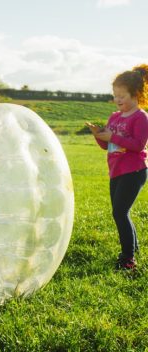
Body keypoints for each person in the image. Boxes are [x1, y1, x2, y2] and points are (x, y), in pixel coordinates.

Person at [86, 64, 148, 270]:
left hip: (135, 171)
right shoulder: (114, 117)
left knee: (120, 213)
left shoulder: (141, 118)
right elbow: (108, 145)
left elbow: (138, 144)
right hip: (116, 171)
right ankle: (134, 247)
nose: (118, 99)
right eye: (115, 95)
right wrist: (99, 135)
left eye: (122, 95)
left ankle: (128, 259)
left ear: (136, 94)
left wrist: (113, 136)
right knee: (121, 212)